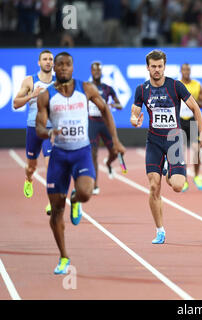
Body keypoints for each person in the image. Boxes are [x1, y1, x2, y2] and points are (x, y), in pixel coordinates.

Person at [35, 52, 125, 274]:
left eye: (68, 65)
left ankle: (75, 200)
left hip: (81, 152)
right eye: (60, 65)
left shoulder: (86, 89)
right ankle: (64, 257)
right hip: (59, 157)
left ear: (73, 68)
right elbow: (38, 128)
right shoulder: (46, 97)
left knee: (85, 193)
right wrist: (49, 132)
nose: (64, 68)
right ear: (54, 68)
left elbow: (105, 110)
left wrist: (115, 140)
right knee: (56, 210)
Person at [130, 49, 202, 245]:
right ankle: (159, 230)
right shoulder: (142, 89)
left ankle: (168, 172)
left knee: (177, 186)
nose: (157, 70)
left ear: (164, 67)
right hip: (154, 141)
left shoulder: (175, 86)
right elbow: (134, 114)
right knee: (153, 186)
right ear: (147, 67)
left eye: (160, 66)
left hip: (173, 141)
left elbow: (196, 109)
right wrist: (134, 120)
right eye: (153, 66)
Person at [13, 49, 55, 215]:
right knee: (31, 166)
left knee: (50, 164)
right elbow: (16, 103)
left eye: (50, 59)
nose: (48, 62)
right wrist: (32, 95)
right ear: (39, 63)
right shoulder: (30, 81)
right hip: (33, 128)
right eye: (45, 59)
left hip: (50, 129)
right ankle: (29, 179)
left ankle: (51, 201)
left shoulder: (59, 82)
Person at [88, 61, 123, 195]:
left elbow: (120, 105)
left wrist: (113, 105)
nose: (97, 72)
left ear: (101, 72)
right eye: (94, 70)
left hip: (105, 122)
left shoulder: (108, 88)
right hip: (92, 122)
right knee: (93, 154)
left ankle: (108, 163)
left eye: (99, 70)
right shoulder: (87, 87)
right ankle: (95, 185)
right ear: (91, 72)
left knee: (115, 151)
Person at [179, 63, 202, 192]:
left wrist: (192, 100)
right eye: (184, 69)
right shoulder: (177, 86)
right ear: (181, 71)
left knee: (196, 150)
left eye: (188, 69)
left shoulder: (197, 85)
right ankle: (183, 180)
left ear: (190, 71)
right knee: (180, 152)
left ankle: (196, 176)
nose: (186, 72)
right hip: (179, 120)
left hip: (192, 121)